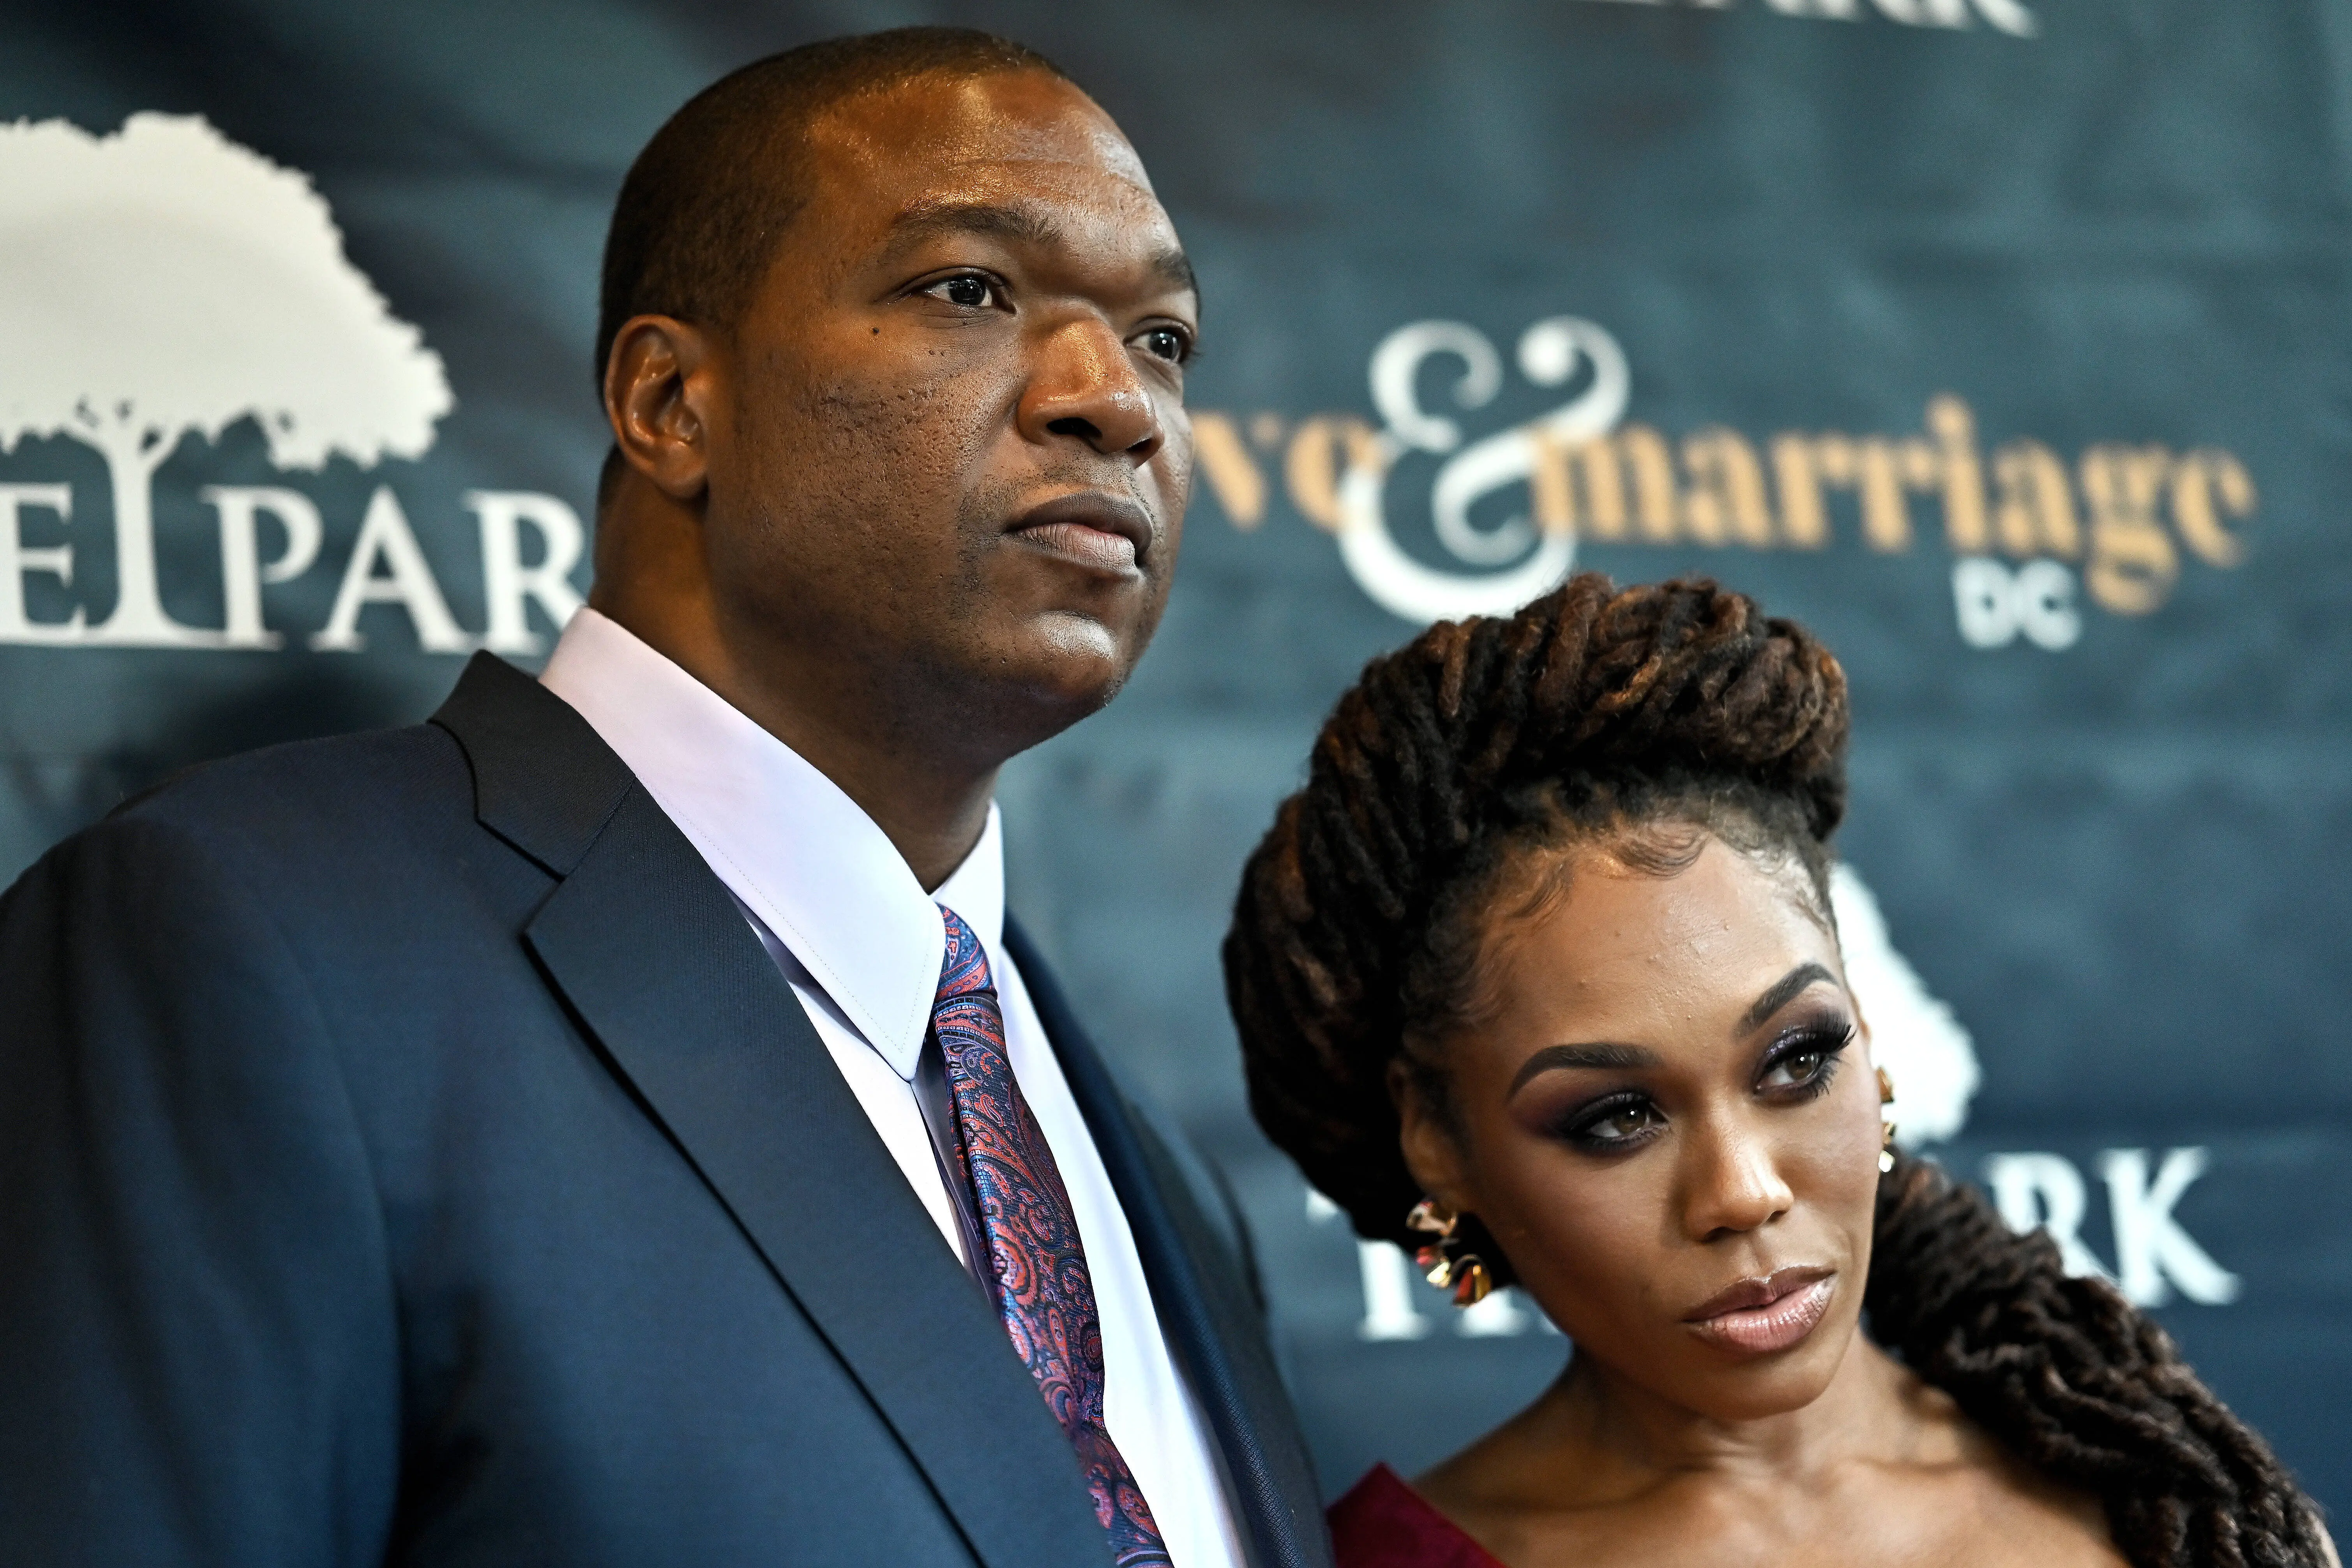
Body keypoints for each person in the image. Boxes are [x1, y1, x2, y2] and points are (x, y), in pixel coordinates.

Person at [0, 28, 1329, 1568]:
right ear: (669, 401)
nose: (1118, 402)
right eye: (971, 287)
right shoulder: (241, 955)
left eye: (1164, 338)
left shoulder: (1146, 1170)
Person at [1224, 574, 2334, 1568]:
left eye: (1796, 1061)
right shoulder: (1400, 1563)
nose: (1743, 1190)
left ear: (1863, 1015)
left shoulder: (2158, 1480)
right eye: (1614, 1118)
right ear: (1434, 1140)